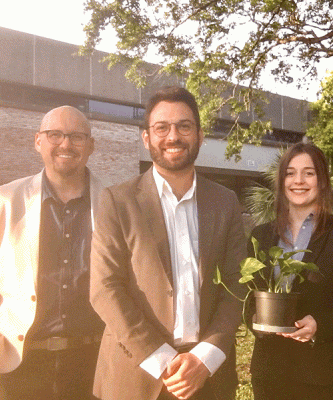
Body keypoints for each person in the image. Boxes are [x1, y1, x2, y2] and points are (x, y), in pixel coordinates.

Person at [89, 86, 246, 400]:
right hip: (137, 375)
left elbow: (236, 284)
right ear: (147, 138)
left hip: (209, 378)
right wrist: (162, 359)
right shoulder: (117, 201)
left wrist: (206, 356)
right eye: (162, 127)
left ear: (200, 135)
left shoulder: (226, 202)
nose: (173, 136)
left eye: (184, 126)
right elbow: (105, 288)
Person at [0, 105, 105, 399]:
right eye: (55, 134)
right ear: (38, 141)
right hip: (15, 366)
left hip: (93, 365)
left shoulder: (114, 204)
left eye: (76, 136)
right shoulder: (2, 201)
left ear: (91, 145)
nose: (65, 144)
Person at [247, 142, 333, 400]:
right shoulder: (260, 236)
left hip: (324, 377)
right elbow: (246, 296)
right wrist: (254, 320)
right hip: (270, 375)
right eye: (290, 173)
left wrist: (321, 323)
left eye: (309, 173)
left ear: (322, 181)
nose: (299, 181)